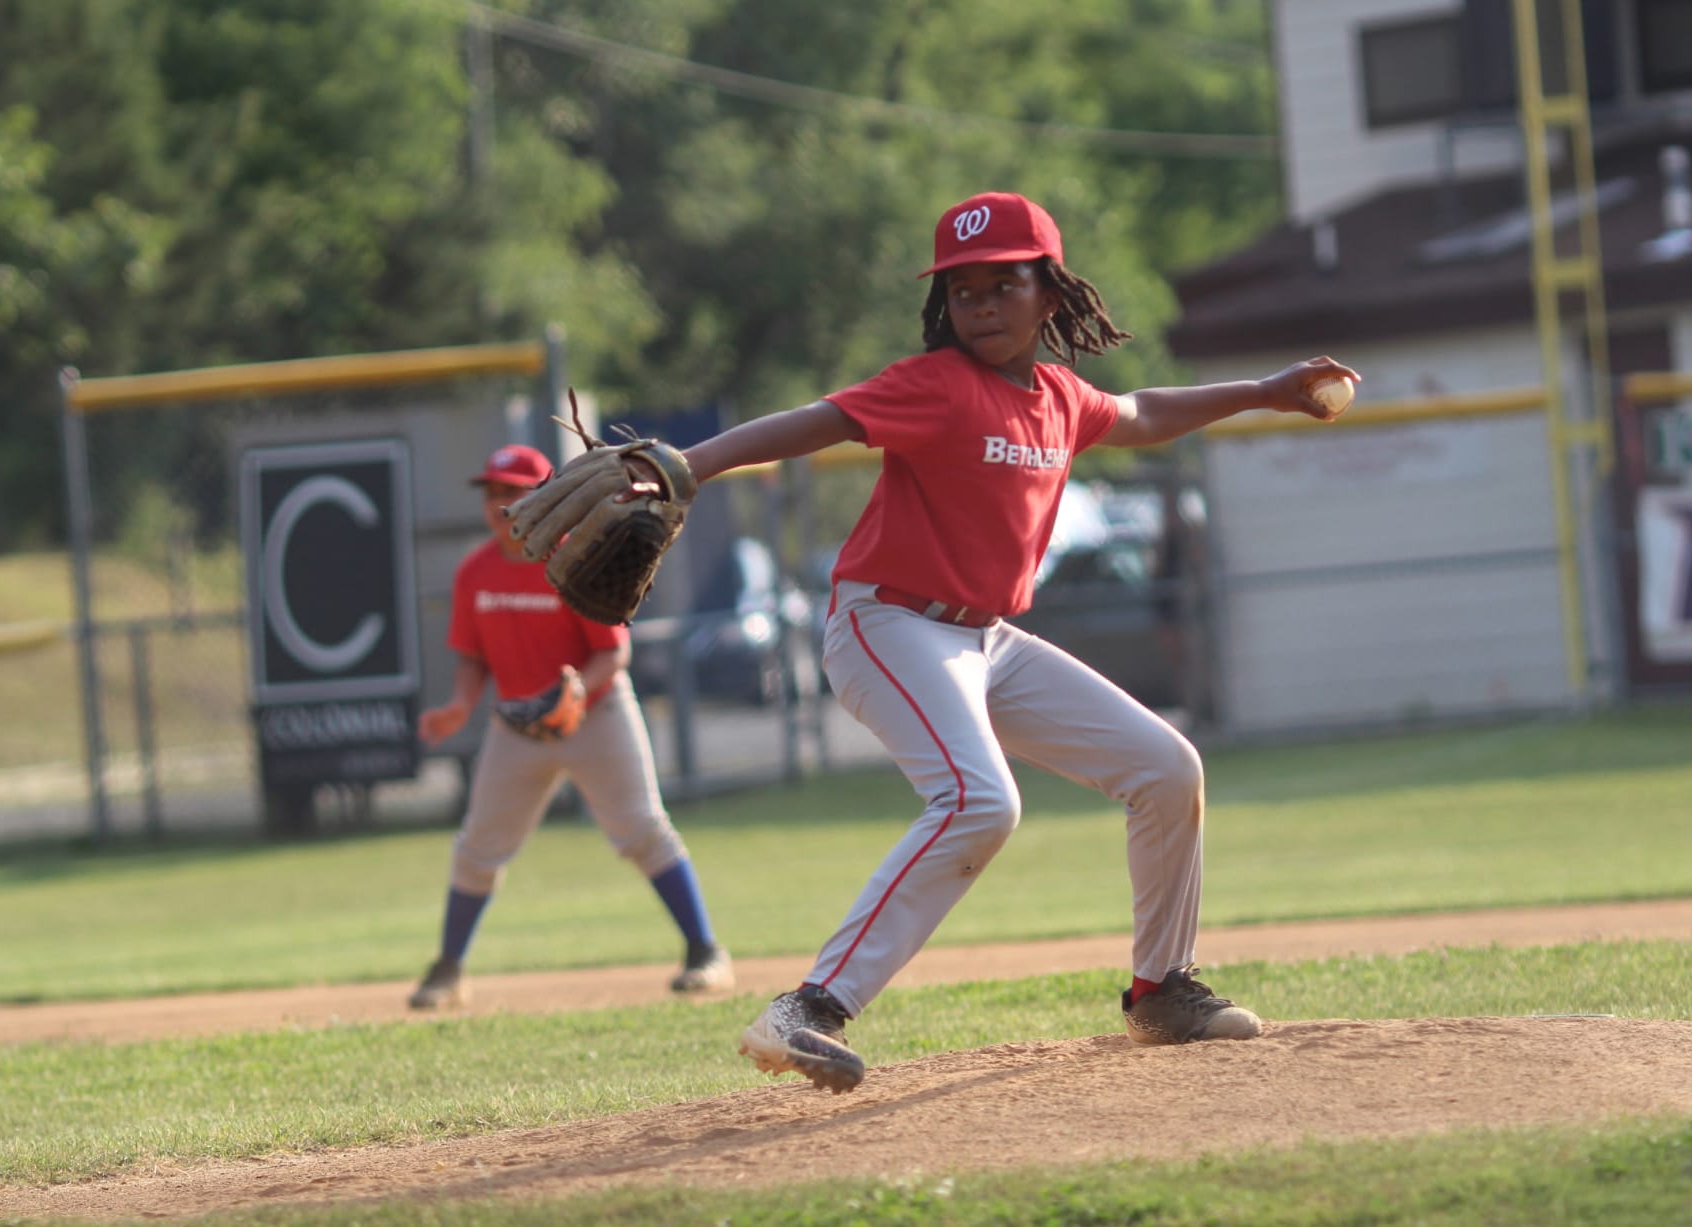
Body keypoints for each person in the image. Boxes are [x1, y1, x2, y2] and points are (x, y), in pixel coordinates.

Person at [666, 191, 1360, 1092]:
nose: (982, 307)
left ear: (1051, 293)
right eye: (963, 292)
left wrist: (1263, 393)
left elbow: (1143, 411)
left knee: (1166, 766)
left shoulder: (1060, 398)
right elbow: (824, 419)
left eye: (1004, 285)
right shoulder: (935, 383)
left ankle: (1162, 990)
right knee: (979, 801)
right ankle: (808, 1009)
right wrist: (690, 465)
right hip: (888, 621)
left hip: (985, 639)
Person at [407, 443, 734, 1010]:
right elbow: (472, 657)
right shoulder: (475, 571)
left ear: (544, 494)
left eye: (510, 491)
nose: (497, 503)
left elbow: (614, 653)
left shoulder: (577, 555)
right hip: (518, 725)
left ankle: (706, 952)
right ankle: (448, 970)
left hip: (596, 714)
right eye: (491, 492)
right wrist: (461, 704)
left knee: (643, 830)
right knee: (478, 849)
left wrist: (578, 689)